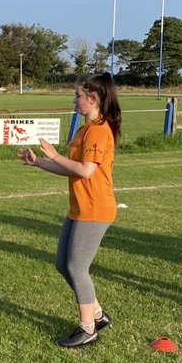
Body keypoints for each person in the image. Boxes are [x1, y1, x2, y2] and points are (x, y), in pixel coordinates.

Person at [18, 73, 121, 348]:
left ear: (93, 99)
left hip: (96, 209)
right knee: (63, 264)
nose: (74, 99)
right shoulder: (84, 129)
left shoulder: (99, 130)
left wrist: (53, 155)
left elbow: (86, 171)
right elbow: (70, 168)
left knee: (77, 267)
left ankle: (87, 328)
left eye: (78, 95)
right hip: (79, 207)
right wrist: (39, 162)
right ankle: (97, 315)